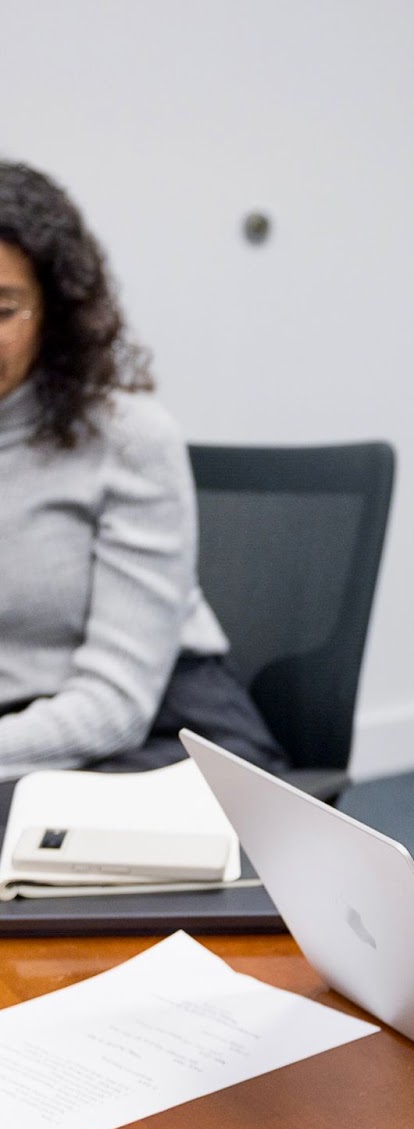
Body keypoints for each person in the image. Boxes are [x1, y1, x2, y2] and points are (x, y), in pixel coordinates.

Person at [0, 160, 286, 825]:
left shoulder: (129, 439)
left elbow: (114, 705)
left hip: (159, 734)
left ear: (56, 312)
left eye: (3, 307)